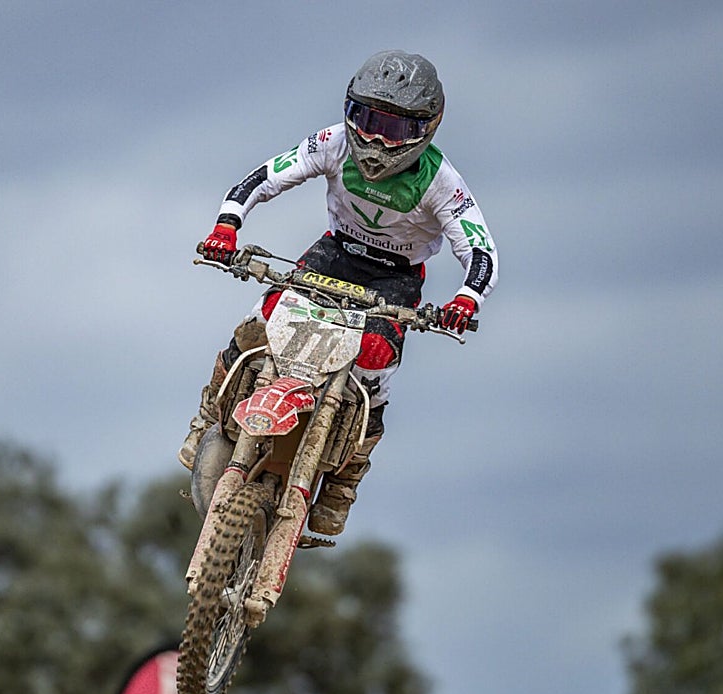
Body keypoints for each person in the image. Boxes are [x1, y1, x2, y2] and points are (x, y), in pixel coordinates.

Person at [180, 50, 498, 536]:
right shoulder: (332, 142)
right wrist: (227, 227)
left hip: (396, 276)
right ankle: (208, 417)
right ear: (349, 112)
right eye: (366, 119)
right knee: (261, 323)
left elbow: (479, 247)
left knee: (375, 361)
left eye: (392, 129)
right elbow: (265, 177)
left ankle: (344, 479)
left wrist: (465, 300)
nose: (374, 138)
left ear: (425, 129)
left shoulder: (440, 181)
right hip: (335, 253)